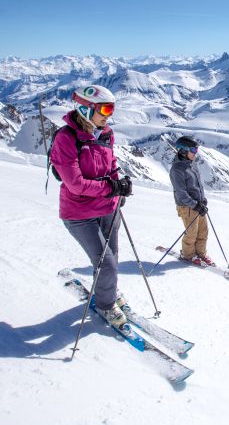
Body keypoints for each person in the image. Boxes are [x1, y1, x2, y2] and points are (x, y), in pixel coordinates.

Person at [49, 85, 133, 329]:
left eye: (112, 109)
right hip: (79, 213)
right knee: (105, 263)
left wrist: (120, 185)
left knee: (112, 259)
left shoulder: (106, 134)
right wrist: (111, 189)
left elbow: (111, 164)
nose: (109, 115)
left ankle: (109, 289)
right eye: (105, 109)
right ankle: (106, 305)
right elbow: (75, 184)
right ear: (85, 109)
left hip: (108, 207)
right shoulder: (66, 138)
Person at [169, 135, 214, 266]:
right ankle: (188, 254)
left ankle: (201, 253)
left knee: (203, 231)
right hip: (187, 206)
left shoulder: (192, 164)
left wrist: (202, 200)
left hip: (197, 205)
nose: (196, 153)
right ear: (183, 150)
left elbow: (198, 185)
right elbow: (181, 193)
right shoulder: (177, 170)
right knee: (192, 233)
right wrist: (195, 205)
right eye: (193, 150)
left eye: (196, 150)